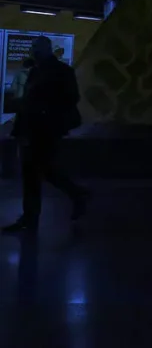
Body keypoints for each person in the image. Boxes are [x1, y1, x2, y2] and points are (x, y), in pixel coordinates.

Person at [2, 36, 88, 235]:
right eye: (33, 48)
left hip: (45, 129)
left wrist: (44, 113)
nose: (34, 51)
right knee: (39, 171)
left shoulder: (60, 72)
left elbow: (70, 98)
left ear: (47, 49)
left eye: (37, 48)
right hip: (36, 128)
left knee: (38, 171)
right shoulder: (37, 71)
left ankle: (34, 215)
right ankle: (74, 195)